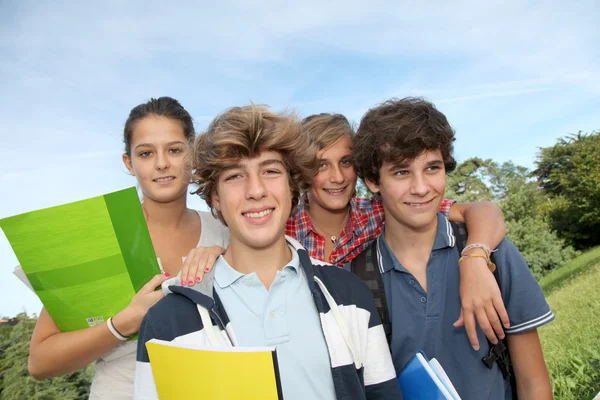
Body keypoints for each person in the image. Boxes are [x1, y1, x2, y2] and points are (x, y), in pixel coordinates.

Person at [134, 104, 402, 399]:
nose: (256, 190)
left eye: (271, 171)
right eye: (235, 176)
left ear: (292, 187)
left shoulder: (351, 296)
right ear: (215, 198)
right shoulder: (165, 321)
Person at [351, 97, 554, 399]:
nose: (421, 188)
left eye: (432, 168)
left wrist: (474, 258)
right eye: (401, 172)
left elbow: (534, 384)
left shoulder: (494, 253)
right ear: (373, 180)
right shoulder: (355, 283)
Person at [27, 97, 229, 399]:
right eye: (146, 153)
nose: (162, 163)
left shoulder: (225, 231)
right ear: (129, 163)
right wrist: (121, 324)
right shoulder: (100, 239)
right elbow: (40, 362)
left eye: (174, 150)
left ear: (193, 153)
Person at [286, 113, 511, 350]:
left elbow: (484, 212)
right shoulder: (284, 231)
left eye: (346, 162)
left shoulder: (382, 211)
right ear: (302, 169)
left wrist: (474, 260)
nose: (338, 177)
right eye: (321, 165)